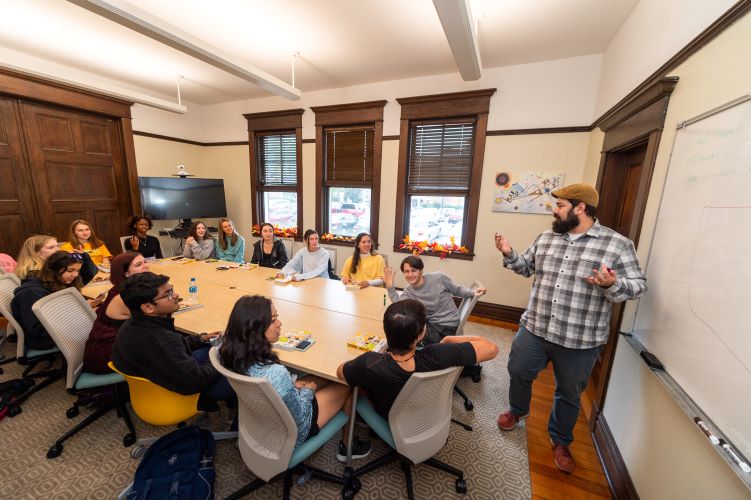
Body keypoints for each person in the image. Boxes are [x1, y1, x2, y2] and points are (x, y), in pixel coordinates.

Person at [494, 182, 647, 474]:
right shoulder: (546, 237)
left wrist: (612, 284)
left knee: (568, 393)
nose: (555, 210)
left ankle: (561, 440)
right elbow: (526, 267)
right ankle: (518, 410)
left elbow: (639, 286)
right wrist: (509, 253)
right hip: (536, 327)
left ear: (580, 208)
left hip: (580, 339)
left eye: (560, 205)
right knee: (518, 370)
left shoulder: (617, 244)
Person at [219, 295, 370, 459]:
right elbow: (300, 419)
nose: (279, 323)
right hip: (294, 430)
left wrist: (291, 383)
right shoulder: (275, 373)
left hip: (262, 420)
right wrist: (308, 391)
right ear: (256, 330)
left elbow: (274, 384)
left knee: (324, 376)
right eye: (273, 319)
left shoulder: (231, 354)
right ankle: (348, 446)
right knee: (345, 380)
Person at [338, 298, 498, 424]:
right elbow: (492, 348)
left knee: (353, 387)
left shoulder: (370, 362)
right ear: (421, 333)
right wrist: (449, 339)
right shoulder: (438, 354)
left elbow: (340, 372)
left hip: (391, 416)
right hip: (430, 410)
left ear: (385, 329)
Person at [111, 272, 236, 411]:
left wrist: (200, 339)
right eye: (168, 294)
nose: (176, 295)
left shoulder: (133, 324)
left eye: (172, 289)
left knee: (210, 348)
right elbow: (196, 381)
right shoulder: (162, 340)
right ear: (148, 307)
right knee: (241, 362)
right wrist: (221, 355)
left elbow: (171, 349)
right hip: (180, 394)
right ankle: (240, 415)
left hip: (161, 380)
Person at [384, 255, 486, 344]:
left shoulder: (439, 278)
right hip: (431, 325)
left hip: (447, 328)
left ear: (421, 271)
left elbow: (457, 290)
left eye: (413, 270)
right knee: (404, 328)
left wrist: (473, 292)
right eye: (407, 271)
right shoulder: (409, 292)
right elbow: (400, 308)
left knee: (405, 337)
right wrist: (390, 287)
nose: (410, 275)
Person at [10, 251, 99, 350]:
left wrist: (84, 307)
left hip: (59, 328)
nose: (75, 275)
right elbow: (38, 329)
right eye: (70, 270)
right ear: (54, 270)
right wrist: (81, 313)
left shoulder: (56, 282)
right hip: (44, 338)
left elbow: (59, 310)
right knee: (103, 328)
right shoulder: (31, 293)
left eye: (77, 271)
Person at [82, 252, 150, 374]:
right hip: (106, 356)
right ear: (126, 273)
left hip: (115, 344)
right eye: (139, 264)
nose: (146, 266)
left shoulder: (126, 287)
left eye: (145, 262)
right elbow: (153, 319)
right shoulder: (125, 295)